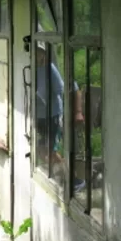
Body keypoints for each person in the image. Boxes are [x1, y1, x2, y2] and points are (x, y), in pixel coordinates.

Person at [35, 44, 85, 192]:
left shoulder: (50, 68)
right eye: (34, 52)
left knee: (49, 150)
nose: (36, 55)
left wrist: (77, 111)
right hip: (39, 116)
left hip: (53, 115)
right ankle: (61, 177)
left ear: (44, 54)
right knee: (41, 149)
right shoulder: (31, 69)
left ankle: (75, 181)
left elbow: (64, 89)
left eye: (39, 52)